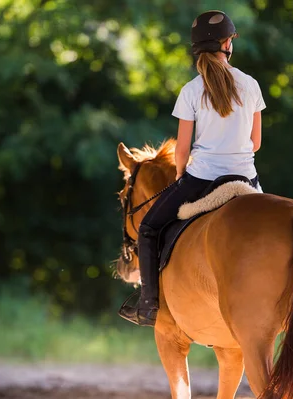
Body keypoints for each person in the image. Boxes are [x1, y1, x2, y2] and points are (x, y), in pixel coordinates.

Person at [118, 10, 267, 327]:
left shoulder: (190, 90)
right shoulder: (251, 85)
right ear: (227, 44)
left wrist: (180, 176)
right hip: (247, 179)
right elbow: (255, 142)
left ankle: (148, 305)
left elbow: (182, 148)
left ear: (198, 48)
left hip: (202, 180)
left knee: (148, 229)